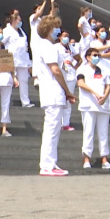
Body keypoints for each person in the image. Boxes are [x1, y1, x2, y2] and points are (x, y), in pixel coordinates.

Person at [35, 15, 76, 176]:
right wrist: (67, 90)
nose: (57, 30)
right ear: (49, 29)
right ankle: (46, 165)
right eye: (55, 28)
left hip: (52, 92)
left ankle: (51, 162)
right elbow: (56, 70)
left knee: (54, 129)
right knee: (51, 130)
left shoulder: (46, 46)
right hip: (53, 91)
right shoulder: (48, 47)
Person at [76, 48, 110, 170]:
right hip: (88, 105)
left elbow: (108, 86)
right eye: (94, 55)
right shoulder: (82, 69)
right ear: (87, 57)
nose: (97, 57)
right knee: (88, 132)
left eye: (98, 55)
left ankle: (104, 159)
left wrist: (104, 96)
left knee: (103, 133)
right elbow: (81, 83)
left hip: (102, 106)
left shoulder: (104, 70)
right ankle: (87, 158)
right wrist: (95, 93)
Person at [3, 11, 34, 108]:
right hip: (12, 58)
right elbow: (1, 42)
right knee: (9, 80)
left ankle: (25, 101)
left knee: (23, 80)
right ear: (13, 21)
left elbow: (24, 46)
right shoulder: (7, 30)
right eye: (19, 20)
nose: (20, 22)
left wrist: (29, 63)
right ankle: (6, 101)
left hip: (23, 60)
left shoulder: (21, 32)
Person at [58, 30, 80, 132]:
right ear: (60, 37)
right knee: (59, 99)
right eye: (64, 36)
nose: (66, 38)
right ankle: (58, 122)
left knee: (68, 99)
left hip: (70, 75)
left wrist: (74, 66)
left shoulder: (72, 48)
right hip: (60, 75)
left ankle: (66, 123)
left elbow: (80, 59)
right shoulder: (56, 47)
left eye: (68, 36)